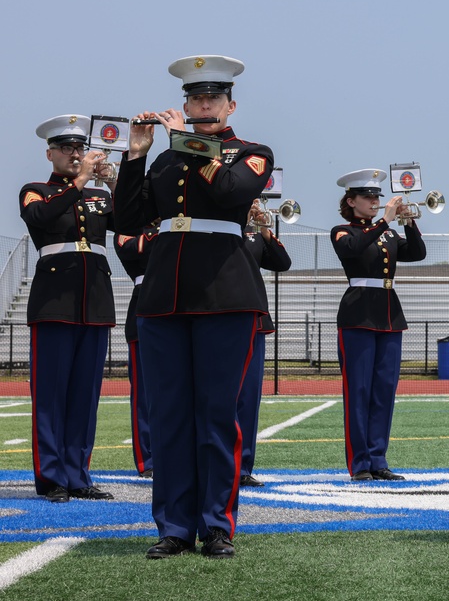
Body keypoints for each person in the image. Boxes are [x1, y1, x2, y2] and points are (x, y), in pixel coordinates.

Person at [114, 55, 275, 559]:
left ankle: (216, 525)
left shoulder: (251, 152)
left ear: (230, 104)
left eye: (212, 99)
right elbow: (126, 216)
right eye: (194, 99)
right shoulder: (162, 158)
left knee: (214, 413)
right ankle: (173, 528)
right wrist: (137, 155)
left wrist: (184, 141)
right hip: (164, 295)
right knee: (170, 416)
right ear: (184, 102)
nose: (202, 106)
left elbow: (231, 192)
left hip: (224, 294)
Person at [20, 114, 116, 503]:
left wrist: (112, 181)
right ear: (50, 153)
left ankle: (78, 474)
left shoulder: (100, 196)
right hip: (54, 302)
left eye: (80, 148)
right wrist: (79, 183)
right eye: (67, 148)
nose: (75, 154)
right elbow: (39, 218)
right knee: (51, 395)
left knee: (84, 396)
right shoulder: (36, 190)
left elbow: (132, 221)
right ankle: (51, 478)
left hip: (94, 300)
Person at [331, 169, 425, 482]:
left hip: (388, 314)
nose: (374, 201)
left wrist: (409, 222)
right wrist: (385, 219)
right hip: (357, 314)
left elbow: (418, 252)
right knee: (358, 390)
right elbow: (353, 250)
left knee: (384, 391)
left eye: (377, 197)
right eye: (368, 197)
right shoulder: (342, 231)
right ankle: (359, 464)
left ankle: (378, 459)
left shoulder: (388, 234)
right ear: (351, 201)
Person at [238, 199, 292, 487]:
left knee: (249, 399)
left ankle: (244, 467)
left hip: (255, 319)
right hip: (223, 315)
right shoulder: (224, 227)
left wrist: (266, 231)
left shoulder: (256, 231)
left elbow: (283, 263)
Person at [114, 223, 160, 478]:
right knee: (143, 394)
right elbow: (132, 248)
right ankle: (147, 460)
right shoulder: (128, 228)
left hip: (180, 304)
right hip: (143, 306)